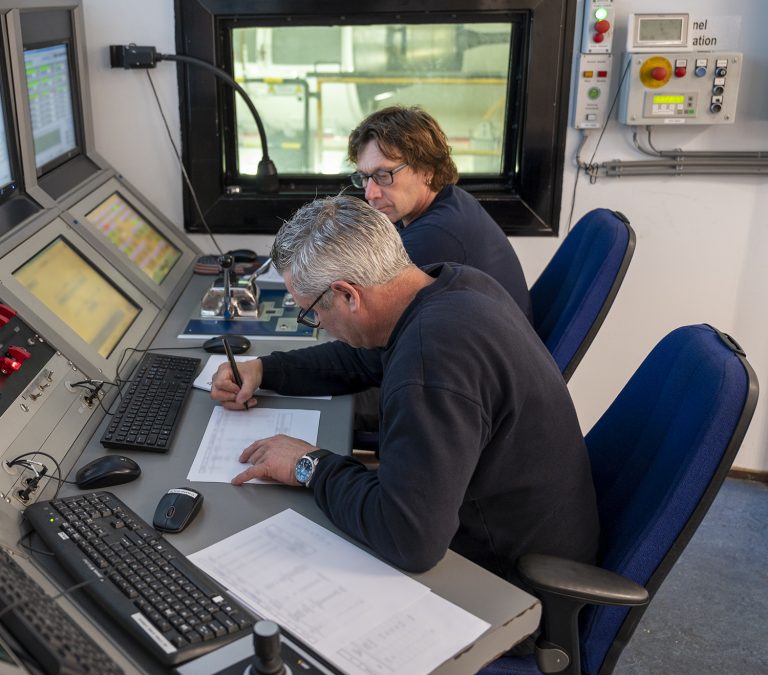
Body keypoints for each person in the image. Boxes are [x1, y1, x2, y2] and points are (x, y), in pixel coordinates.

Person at [210, 195, 598, 581]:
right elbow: (360, 358)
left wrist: (309, 465)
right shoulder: (452, 285)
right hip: (534, 528)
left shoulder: (431, 364)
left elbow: (409, 540)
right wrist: (265, 369)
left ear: (348, 295)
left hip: (511, 575)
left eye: (312, 314)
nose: (319, 326)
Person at [348, 105, 532, 321]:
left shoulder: (435, 235)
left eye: (384, 174)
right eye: (364, 177)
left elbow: (367, 314)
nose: (370, 192)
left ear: (426, 170)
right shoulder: (446, 202)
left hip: (488, 353)